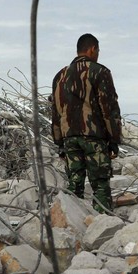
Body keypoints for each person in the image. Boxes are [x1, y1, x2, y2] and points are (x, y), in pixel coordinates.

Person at [51, 33, 122, 213]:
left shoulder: (59, 76)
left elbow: (56, 112)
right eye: (98, 51)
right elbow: (109, 108)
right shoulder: (100, 72)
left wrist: (59, 143)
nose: (98, 54)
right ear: (93, 49)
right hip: (94, 137)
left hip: (69, 139)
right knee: (100, 185)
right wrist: (114, 139)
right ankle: (103, 228)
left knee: (74, 185)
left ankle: (74, 226)